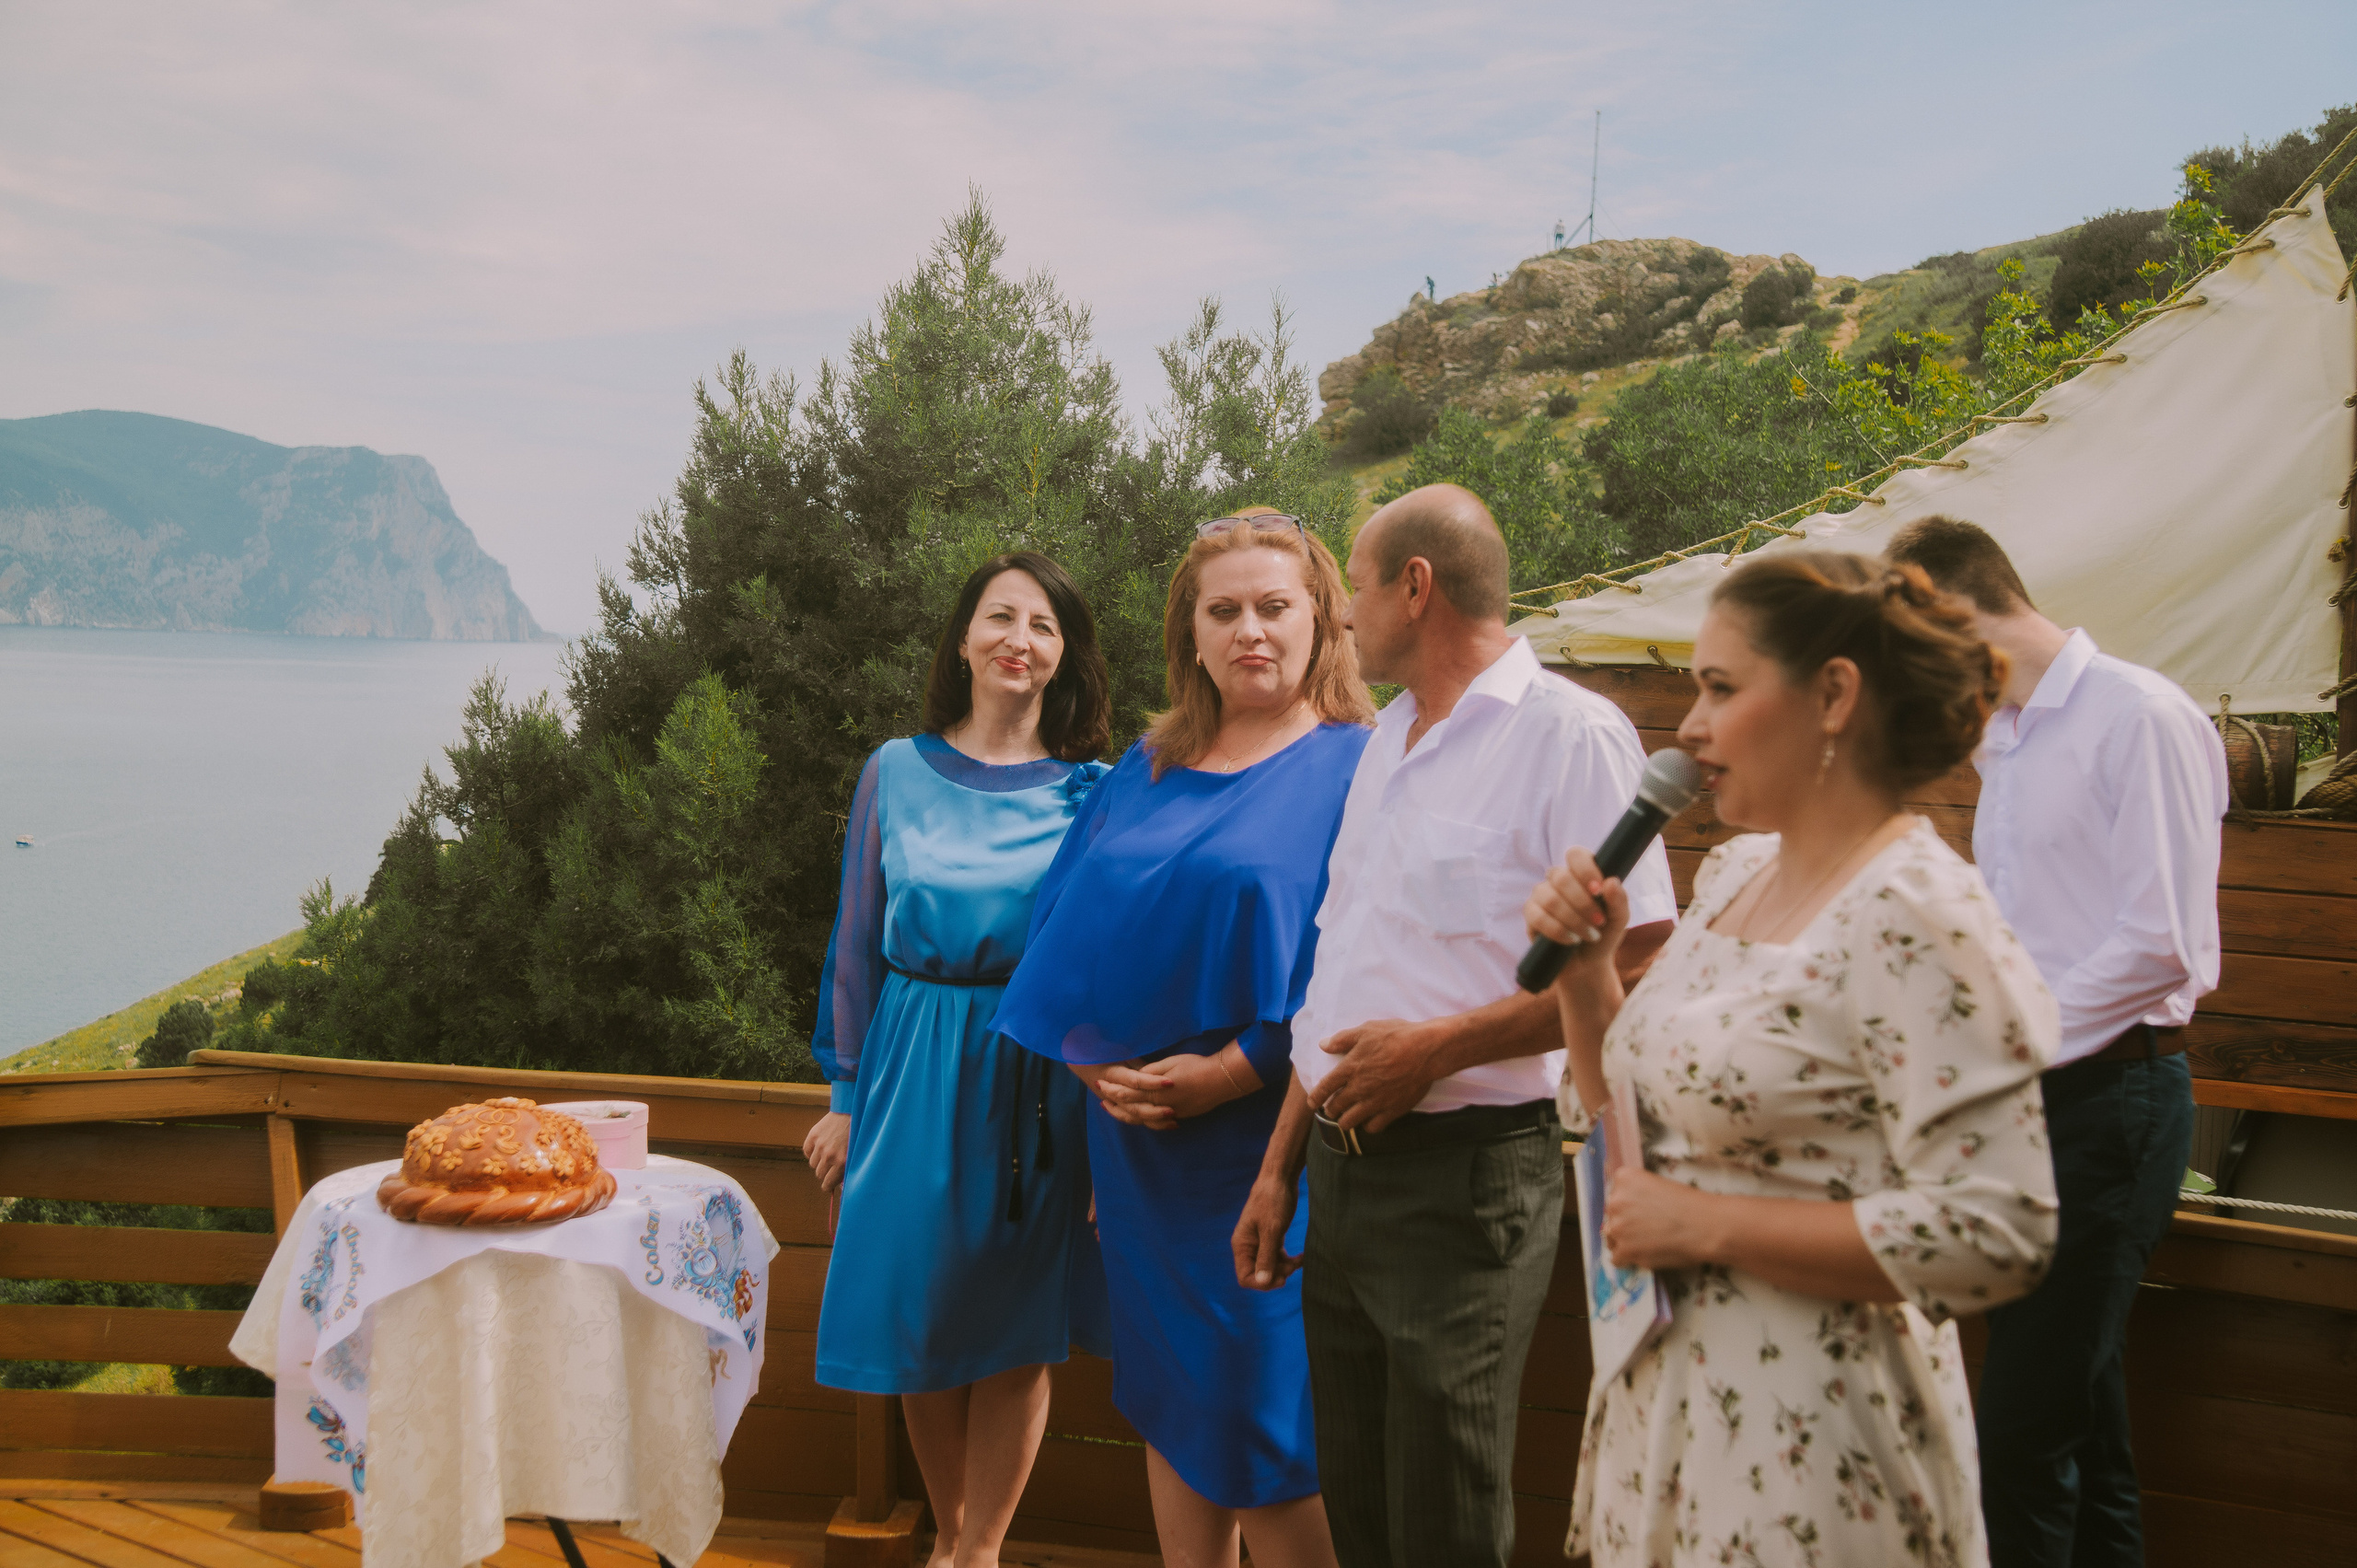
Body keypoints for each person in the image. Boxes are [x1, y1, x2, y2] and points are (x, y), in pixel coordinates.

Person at [1524, 550, 2061, 1568]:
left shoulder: (1918, 910)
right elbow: (1626, 1138)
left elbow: (1999, 1225)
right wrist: (1588, 981)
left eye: (1719, 687)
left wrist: (1708, 1223)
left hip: (1812, 1446)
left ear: (1833, 694)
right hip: (1667, 1404)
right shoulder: (1731, 872)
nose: (1687, 728)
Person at [1231, 483, 1679, 1568]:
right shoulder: (1384, 740)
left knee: (1442, 1516)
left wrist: (1438, 1049)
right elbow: (1337, 971)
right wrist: (1279, 1166)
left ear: (1416, 587)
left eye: (1355, 589)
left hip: (1468, 1179)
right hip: (1339, 1181)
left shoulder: (1571, 734)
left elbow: (1640, 954)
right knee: (1363, 1506)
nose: (1341, 618)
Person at [994, 507, 1376, 1568]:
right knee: (1170, 1405)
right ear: (1191, 634)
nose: (1249, 629)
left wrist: (1234, 1069)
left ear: (1321, 620)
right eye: (1224, 611)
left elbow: (1363, 962)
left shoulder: (1364, 766)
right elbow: (1065, 927)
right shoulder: (1145, 765)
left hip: (1264, 1145)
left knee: (1266, 1434)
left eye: (1272, 606)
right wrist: (1090, 1064)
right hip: (1134, 1144)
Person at [1886, 517, 2226, 1568]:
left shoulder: (2143, 717)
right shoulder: (2010, 740)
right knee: (2082, 1430)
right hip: (2034, 1101)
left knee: (2023, 1439)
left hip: (2115, 1103)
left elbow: (2161, 944)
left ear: (1953, 610)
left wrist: (1999, 1050)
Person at [801, 552, 1114, 1568]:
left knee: (1017, 1322)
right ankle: (950, 1536)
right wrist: (842, 1094)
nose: (1019, 638)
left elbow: (1111, 962)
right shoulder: (891, 768)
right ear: (966, 639)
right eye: (1000, 617)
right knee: (922, 1309)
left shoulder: (1093, 792)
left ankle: (977, 1553)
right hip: (905, 1062)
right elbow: (852, 946)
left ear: (1064, 656)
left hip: (1033, 1079)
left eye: (1043, 625)